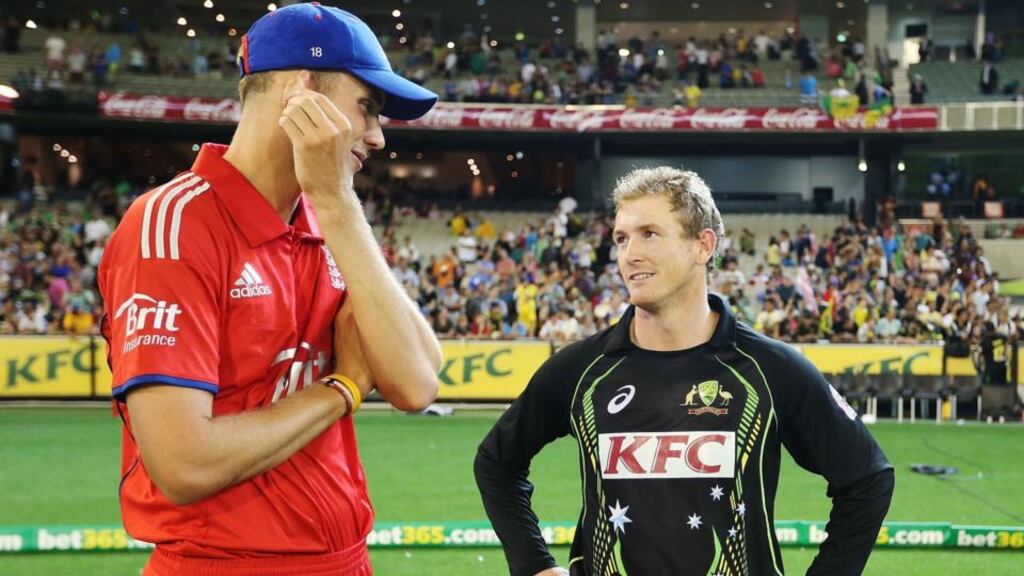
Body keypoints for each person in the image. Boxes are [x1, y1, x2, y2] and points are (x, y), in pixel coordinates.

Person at [98, 5, 442, 575]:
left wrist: (336, 204)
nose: (379, 137)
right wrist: (341, 390)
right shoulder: (172, 224)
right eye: (368, 108)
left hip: (345, 560)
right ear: (301, 90)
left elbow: (416, 384)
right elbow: (184, 465)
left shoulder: (330, 216)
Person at [475, 167, 894, 576]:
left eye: (649, 234)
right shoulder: (581, 370)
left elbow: (868, 479)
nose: (629, 254)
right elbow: (496, 462)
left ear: (702, 246)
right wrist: (534, 565)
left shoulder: (770, 370)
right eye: (621, 238)